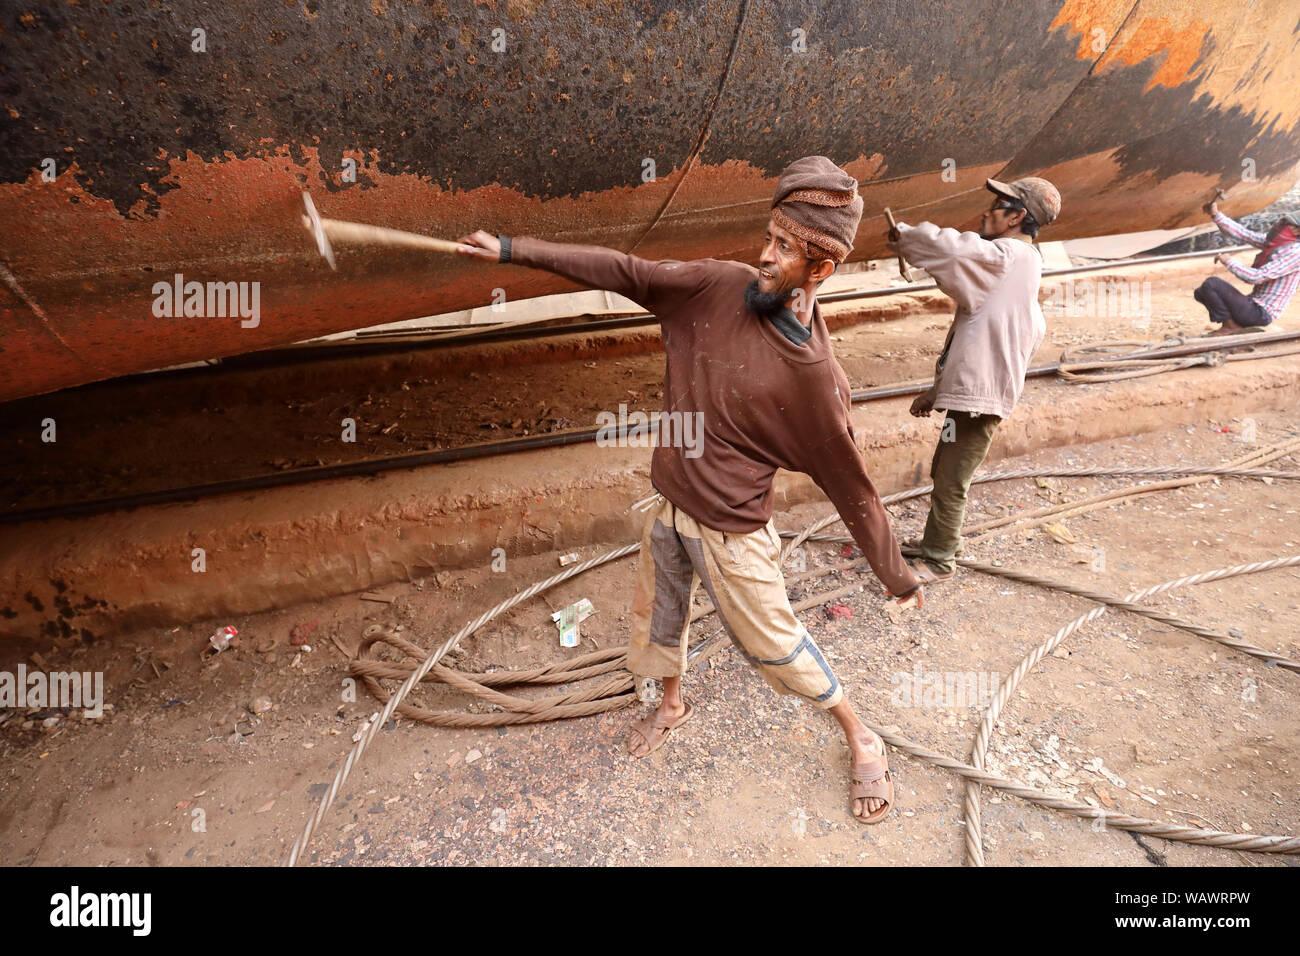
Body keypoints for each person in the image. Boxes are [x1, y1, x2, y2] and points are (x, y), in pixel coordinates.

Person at [457, 156, 922, 823]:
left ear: (821, 269)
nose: (764, 256)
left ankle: (859, 731)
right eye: (769, 236)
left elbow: (855, 490)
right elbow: (628, 271)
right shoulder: (717, 286)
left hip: (732, 532)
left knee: (775, 647)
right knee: (658, 622)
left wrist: (895, 574)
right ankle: (671, 702)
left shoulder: (816, 378)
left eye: (784, 249)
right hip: (670, 507)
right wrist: (511, 250)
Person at [889, 177, 1061, 584]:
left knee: (951, 479)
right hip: (975, 400)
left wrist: (908, 237)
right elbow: (978, 341)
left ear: (1017, 217)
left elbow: (954, 250)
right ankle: (938, 540)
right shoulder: (1023, 270)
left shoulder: (1007, 256)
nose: (986, 212)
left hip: (977, 403)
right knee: (945, 469)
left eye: (998, 206)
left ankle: (938, 560)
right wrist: (936, 392)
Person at [1195, 200, 1300, 335]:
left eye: (1285, 224)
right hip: (1252, 305)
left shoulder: (1295, 253)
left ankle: (1230, 326)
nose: (1279, 226)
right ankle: (1235, 324)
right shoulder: (1277, 243)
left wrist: (1229, 261)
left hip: (1261, 312)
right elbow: (1245, 235)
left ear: (1297, 231)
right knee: (1201, 292)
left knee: (1212, 284)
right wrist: (1216, 215)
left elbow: (1255, 277)